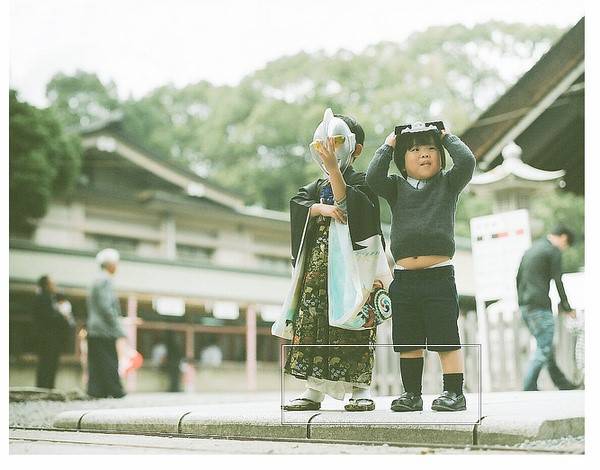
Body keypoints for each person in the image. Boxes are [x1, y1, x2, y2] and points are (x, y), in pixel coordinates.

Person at [274, 110, 387, 412]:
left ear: (355, 148)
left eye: (336, 141)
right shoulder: (315, 186)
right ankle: (313, 390)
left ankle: (360, 389)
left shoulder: (362, 181)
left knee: (354, 325)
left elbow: (349, 203)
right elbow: (298, 204)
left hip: (352, 272)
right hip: (318, 272)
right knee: (313, 326)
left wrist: (335, 171)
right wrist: (317, 209)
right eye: (323, 143)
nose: (328, 148)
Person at [366, 122, 475, 412]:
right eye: (414, 150)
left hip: (439, 275)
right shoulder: (396, 188)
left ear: (440, 156)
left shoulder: (448, 184)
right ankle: (411, 394)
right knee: (407, 339)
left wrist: (446, 136)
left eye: (431, 149)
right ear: (402, 161)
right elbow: (373, 177)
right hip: (404, 279)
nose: (424, 154)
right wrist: (389, 144)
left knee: (445, 337)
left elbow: (467, 161)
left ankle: (454, 393)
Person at [516, 225, 579, 391]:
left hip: (525, 306)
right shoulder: (553, 251)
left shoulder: (532, 249)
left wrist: (522, 302)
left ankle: (562, 384)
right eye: (565, 245)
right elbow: (558, 280)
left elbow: (518, 277)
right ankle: (528, 388)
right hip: (539, 306)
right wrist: (566, 306)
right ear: (563, 238)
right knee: (544, 348)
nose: (563, 249)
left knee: (546, 346)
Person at [86, 248, 127, 398]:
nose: (117, 267)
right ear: (109, 264)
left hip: (94, 328)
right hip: (104, 329)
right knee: (109, 360)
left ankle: (97, 391)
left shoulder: (95, 280)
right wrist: (118, 328)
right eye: (116, 263)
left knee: (96, 362)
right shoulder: (105, 281)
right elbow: (107, 307)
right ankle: (115, 390)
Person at [33, 275, 72, 389]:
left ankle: (46, 388)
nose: (55, 286)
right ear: (46, 285)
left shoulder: (48, 298)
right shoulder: (43, 298)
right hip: (48, 339)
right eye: (52, 283)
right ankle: (45, 389)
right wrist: (63, 317)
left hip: (49, 338)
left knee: (48, 364)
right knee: (47, 364)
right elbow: (50, 318)